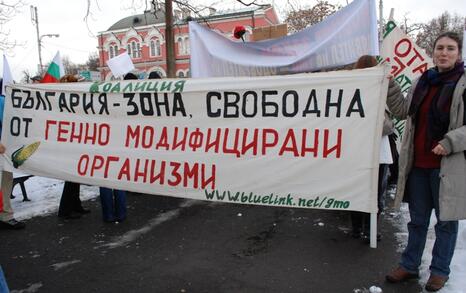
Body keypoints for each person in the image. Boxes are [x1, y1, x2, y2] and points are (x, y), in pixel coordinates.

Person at [385, 31, 465, 292]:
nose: (444, 53)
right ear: (433, 52)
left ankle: (439, 271)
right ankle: (409, 266)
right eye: (440, 48)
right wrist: (389, 84)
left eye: (450, 48)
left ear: (459, 53)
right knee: (417, 221)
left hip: (448, 168)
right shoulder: (423, 81)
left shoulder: (463, 83)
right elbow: (401, 110)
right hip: (418, 166)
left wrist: (450, 141)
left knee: (446, 223)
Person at [349, 55, 394, 242]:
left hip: (363, 154)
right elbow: (388, 126)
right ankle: (362, 229)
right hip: (366, 154)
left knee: (363, 193)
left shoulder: (380, 91)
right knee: (368, 194)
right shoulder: (354, 92)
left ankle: (366, 229)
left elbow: (388, 126)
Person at [98, 72, 135, 223]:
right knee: (118, 180)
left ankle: (109, 215)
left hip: (103, 144)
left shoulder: (102, 102)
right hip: (120, 144)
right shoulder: (129, 100)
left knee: (105, 180)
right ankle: (120, 213)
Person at [56, 75, 90, 219]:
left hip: (76, 141)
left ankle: (76, 205)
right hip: (68, 143)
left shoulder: (72, 97)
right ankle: (65, 210)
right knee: (70, 178)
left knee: (76, 178)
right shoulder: (62, 98)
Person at [0, 78, 25, 230]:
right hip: (2, 149)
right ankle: (6, 215)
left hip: (4, 149)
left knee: (5, 182)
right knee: (4, 182)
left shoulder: (4, 101)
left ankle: (5, 214)